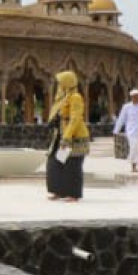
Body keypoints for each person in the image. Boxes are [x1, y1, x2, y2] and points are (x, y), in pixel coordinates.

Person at [46, 70, 89, 202]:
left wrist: (67, 137)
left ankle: (73, 194)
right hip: (60, 136)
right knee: (55, 163)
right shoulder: (62, 98)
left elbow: (75, 118)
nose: (59, 85)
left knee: (72, 165)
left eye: (61, 82)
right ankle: (58, 191)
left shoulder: (75, 97)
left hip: (73, 138)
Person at [112, 88, 138, 173]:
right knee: (133, 147)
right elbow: (121, 119)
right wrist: (116, 131)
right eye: (134, 96)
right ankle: (132, 164)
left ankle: (135, 165)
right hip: (130, 131)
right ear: (131, 97)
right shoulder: (126, 107)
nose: (136, 98)